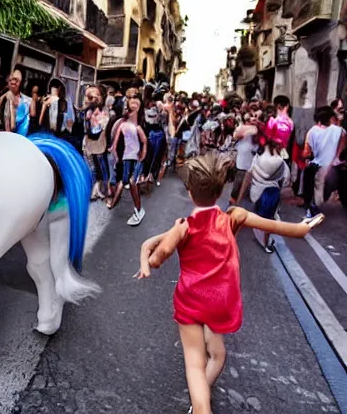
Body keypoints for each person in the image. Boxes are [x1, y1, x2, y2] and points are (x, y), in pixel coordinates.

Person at [137, 152, 322, 414]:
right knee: (218, 356)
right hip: (221, 300)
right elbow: (277, 227)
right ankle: (198, 404)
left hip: (191, 300)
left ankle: (201, 407)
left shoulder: (184, 226)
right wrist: (302, 227)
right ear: (220, 190)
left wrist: (148, 257)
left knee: (194, 364)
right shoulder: (234, 216)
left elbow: (158, 258)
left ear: (190, 193)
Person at [107, 94, 147, 224]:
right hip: (125, 156)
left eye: (137, 102)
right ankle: (132, 207)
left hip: (137, 157)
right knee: (126, 181)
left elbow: (145, 141)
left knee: (132, 182)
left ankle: (138, 210)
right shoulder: (123, 121)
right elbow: (116, 137)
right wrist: (114, 151)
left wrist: (143, 156)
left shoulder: (141, 123)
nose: (134, 104)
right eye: (132, 101)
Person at [248, 134, 289, 253]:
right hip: (271, 194)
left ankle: (261, 240)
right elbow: (286, 180)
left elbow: (250, 172)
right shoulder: (280, 163)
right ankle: (266, 244)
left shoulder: (257, 158)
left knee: (258, 217)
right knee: (269, 220)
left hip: (256, 193)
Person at [303, 106, 345, 218]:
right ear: (331, 118)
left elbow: (306, 153)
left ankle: (312, 209)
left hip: (316, 166)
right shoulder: (340, 131)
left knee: (315, 189)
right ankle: (315, 208)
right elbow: (341, 148)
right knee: (323, 191)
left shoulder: (311, 131)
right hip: (332, 168)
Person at [82, 85, 111, 200]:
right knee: (91, 168)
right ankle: (93, 190)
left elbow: (101, 127)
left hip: (100, 143)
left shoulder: (105, 112)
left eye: (97, 95)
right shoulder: (86, 111)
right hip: (88, 143)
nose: (93, 98)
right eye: (90, 96)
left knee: (102, 168)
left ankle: (105, 189)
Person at [0, 68, 33, 135]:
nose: (13, 82)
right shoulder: (2, 97)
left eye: (16, 80)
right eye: (12, 79)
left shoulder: (27, 102)